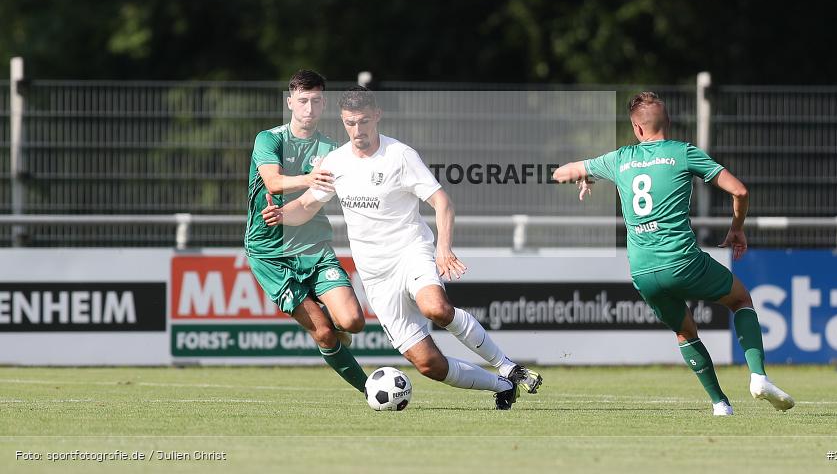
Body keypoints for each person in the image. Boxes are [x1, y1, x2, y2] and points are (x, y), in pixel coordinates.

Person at [261, 86, 542, 410]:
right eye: (351, 123)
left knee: (436, 308)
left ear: (377, 116)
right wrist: (283, 214)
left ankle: (508, 365)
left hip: (411, 252)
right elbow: (308, 205)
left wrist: (443, 249)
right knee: (428, 365)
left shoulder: (399, 156)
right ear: (343, 120)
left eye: (364, 121)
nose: (358, 130)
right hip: (376, 277)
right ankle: (502, 385)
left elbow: (442, 202)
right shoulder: (335, 162)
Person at [553, 91, 794, 416]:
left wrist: (587, 177)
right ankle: (758, 377)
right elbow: (740, 191)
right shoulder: (683, 153)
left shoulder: (620, 158)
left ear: (637, 129)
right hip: (681, 260)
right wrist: (736, 227)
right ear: (667, 123)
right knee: (740, 300)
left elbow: (562, 172)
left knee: (684, 330)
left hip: (642, 271)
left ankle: (720, 404)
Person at [244, 70, 368, 393]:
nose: (309, 108)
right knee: (325, 333)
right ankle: (371, 391)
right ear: (290, 103)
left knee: (353, 321)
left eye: (315, 101)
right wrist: (309, 179)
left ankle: (327, 306)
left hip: (313, 246)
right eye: (302, 101)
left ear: (323, 103)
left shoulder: (330, 148)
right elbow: (273, 181)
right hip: (269, 253)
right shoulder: (268, 139)